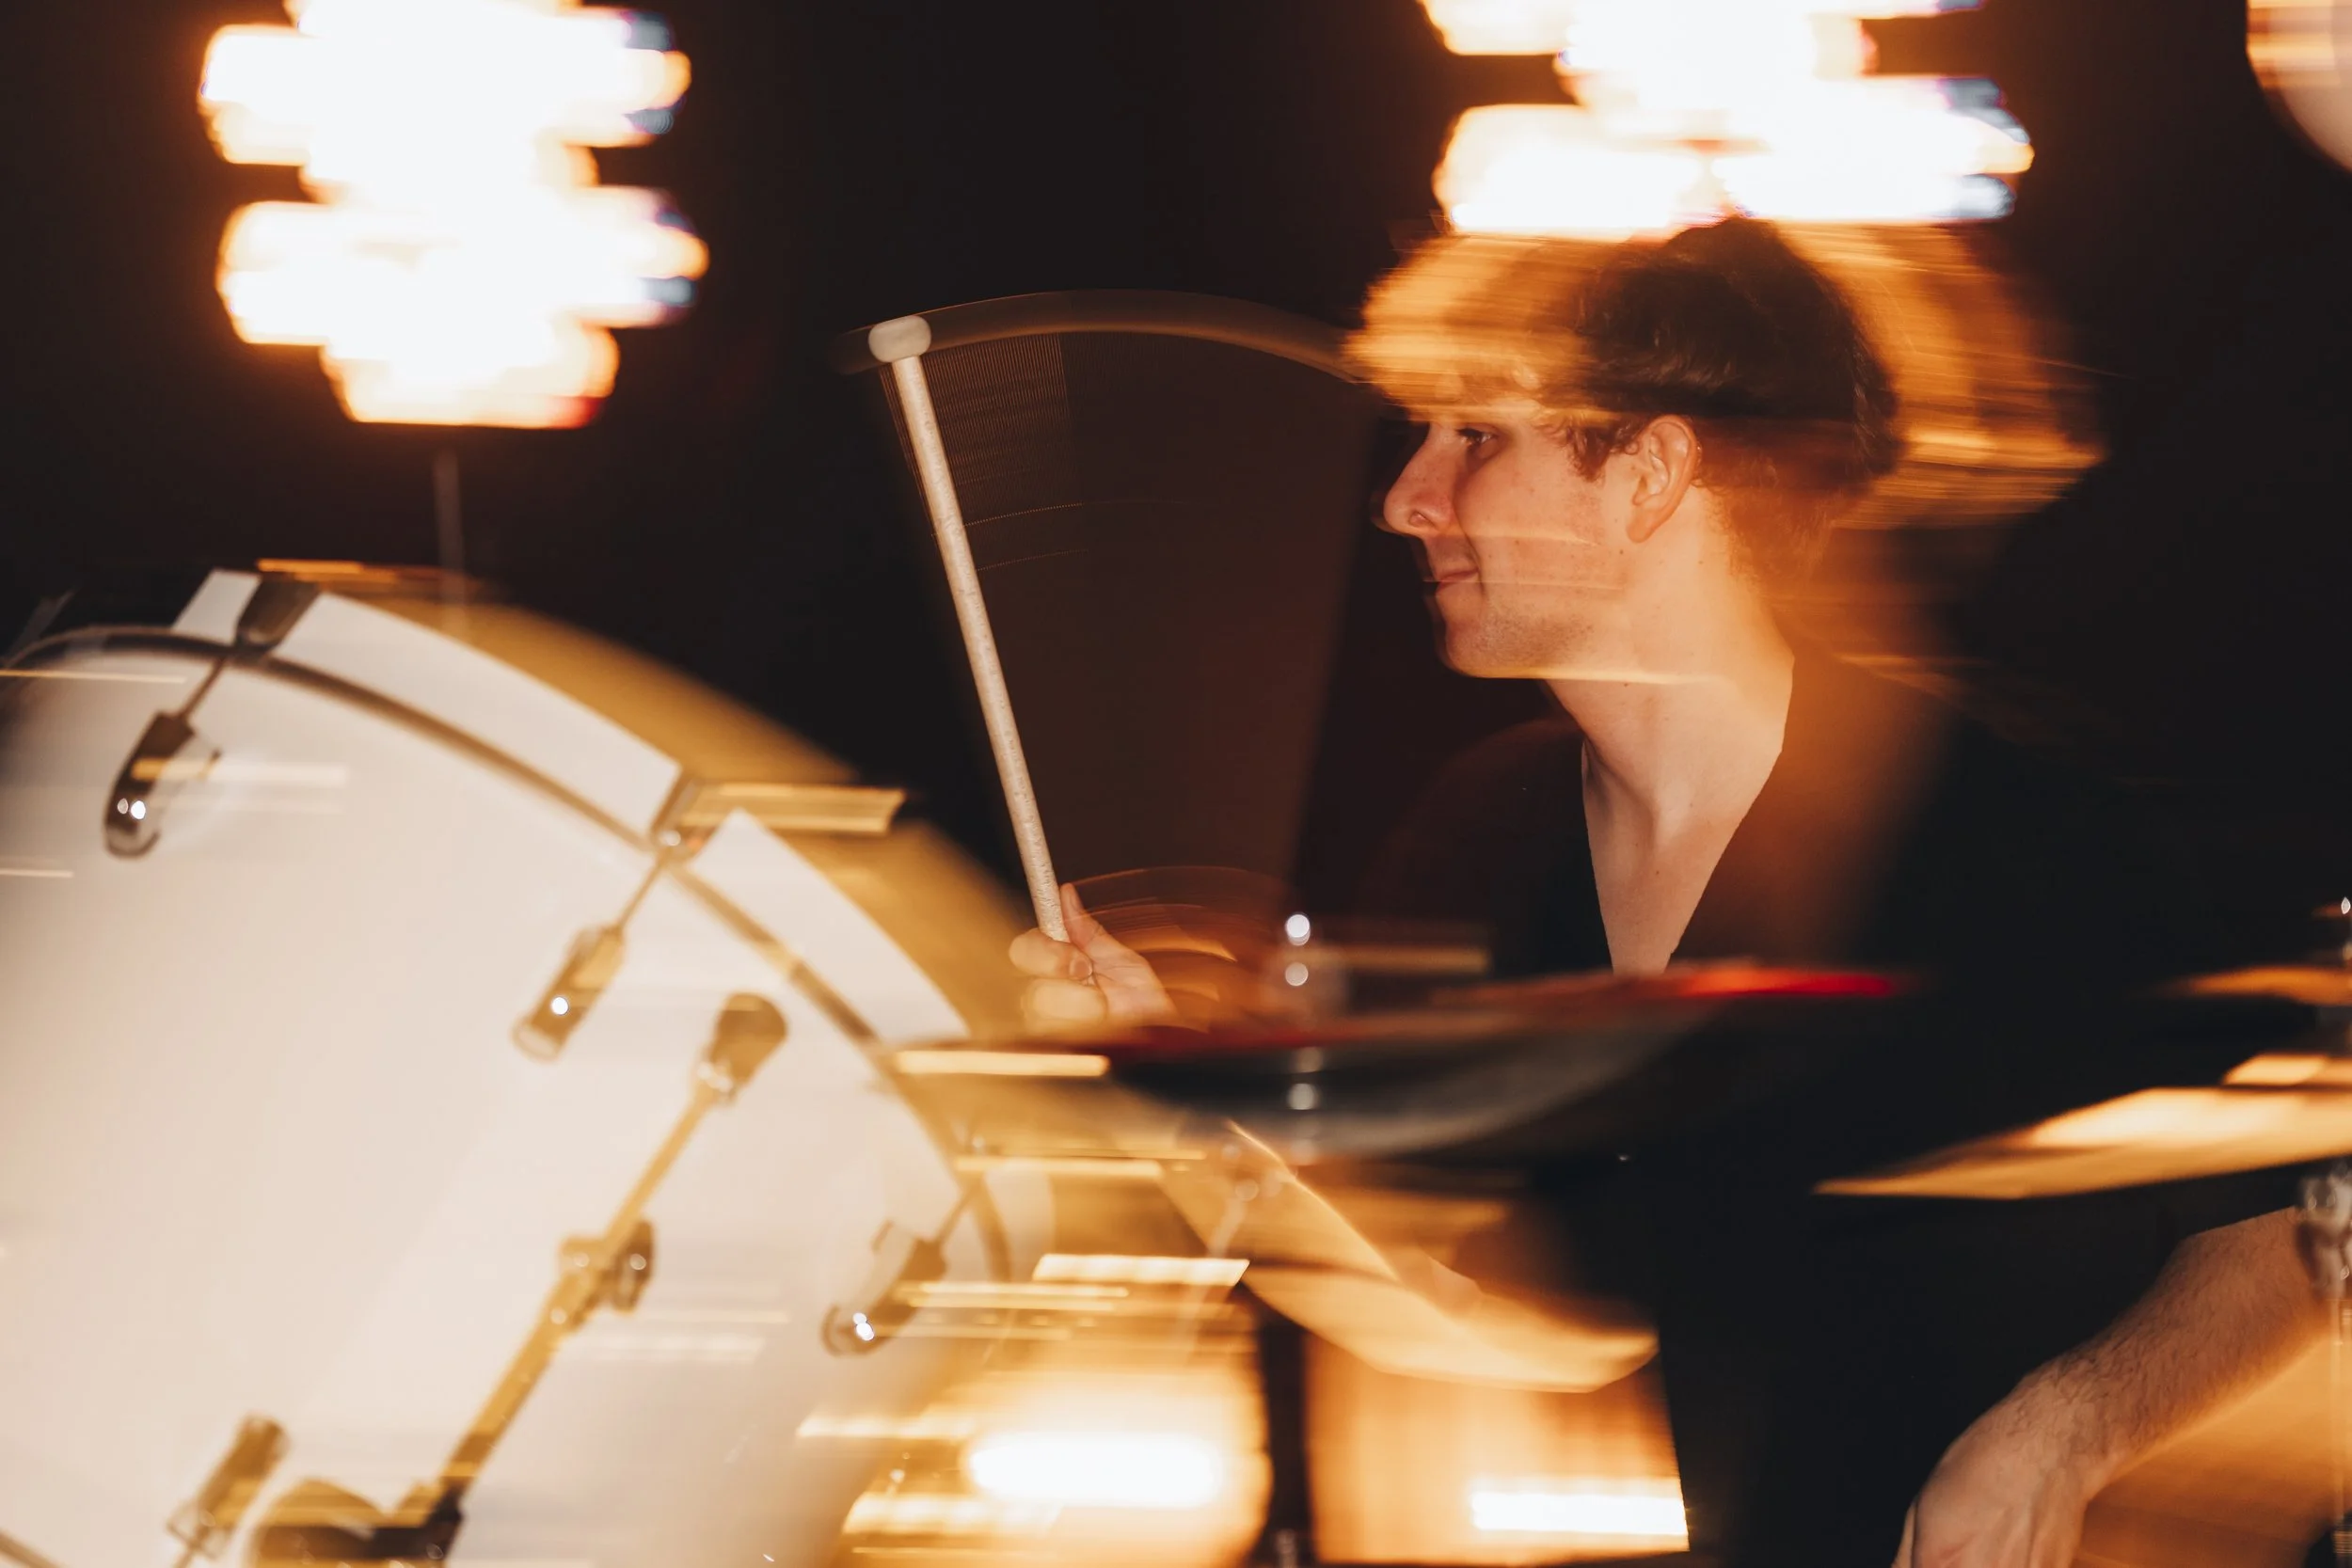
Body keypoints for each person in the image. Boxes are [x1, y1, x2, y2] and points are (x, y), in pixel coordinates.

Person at [1009, 218, 2321, 1565]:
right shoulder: (1482, 840)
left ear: (1649, 470)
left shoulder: (2025, 832)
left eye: (1475, 438)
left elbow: (2281, 1247)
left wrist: (2060, 1429)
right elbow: (1482, 1311)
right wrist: (1178, 1119)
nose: (1408, 497)